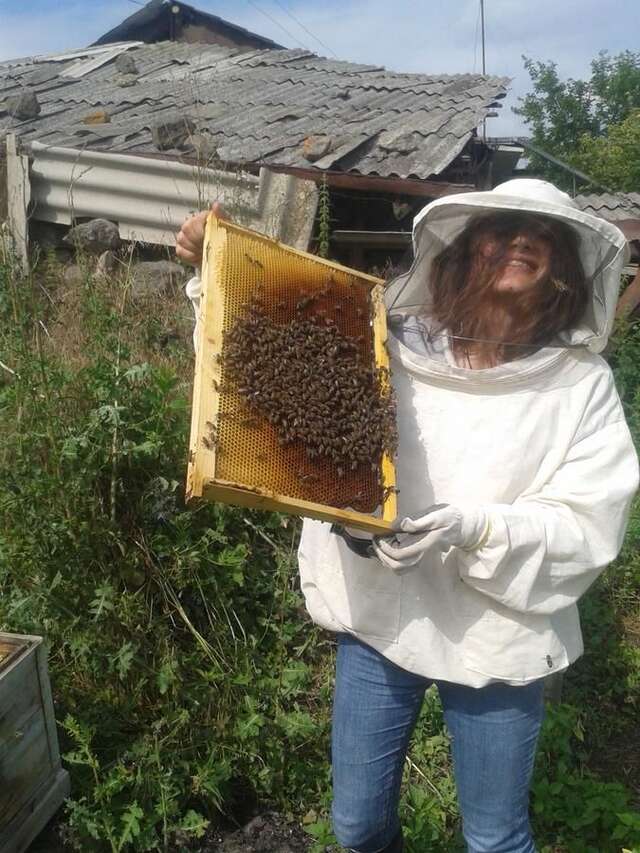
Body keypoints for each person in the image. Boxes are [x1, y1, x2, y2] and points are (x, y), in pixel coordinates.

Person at [177, 179, 639, 853]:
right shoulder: (388, 340)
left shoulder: (580, 386)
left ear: (564, 274)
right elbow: (261, 379)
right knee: (358, 827)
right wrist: (211, 268)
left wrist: (476, 528)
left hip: (497, 634)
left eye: (541, 237)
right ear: (460, 253)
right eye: (500, 229)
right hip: (381, 615)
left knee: (496, 838)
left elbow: (588, 523)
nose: (519, 241)